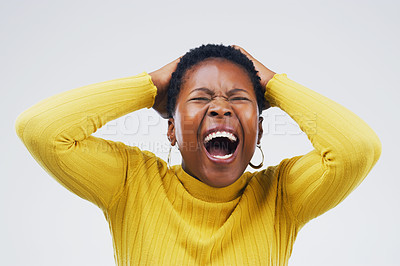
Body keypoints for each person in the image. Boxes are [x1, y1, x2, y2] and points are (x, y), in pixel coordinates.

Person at [15, 44, 382, 265]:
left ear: (259, 130)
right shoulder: (131, 182)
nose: (220, 108)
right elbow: (41, 130)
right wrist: (151, 85)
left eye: (238, 99)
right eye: (201, 98)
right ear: (172, 129)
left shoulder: (281, 195)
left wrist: (274, 84)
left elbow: (357, 149)